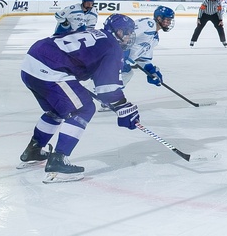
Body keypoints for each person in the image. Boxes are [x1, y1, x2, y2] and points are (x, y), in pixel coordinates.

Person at [18, 14, 140, 183]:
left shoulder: (96, 34)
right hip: (51, 69)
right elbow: (108, 88)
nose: (129, 36)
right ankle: (58, 161)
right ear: (117, 31)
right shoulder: (112, 46)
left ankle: (34, 150)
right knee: (84, 108)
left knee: (56, 111)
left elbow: (100, 81)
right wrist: (123, 106)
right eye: (126, 32)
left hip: (31, 62)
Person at [121, 6, 175, 87]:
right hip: (115, 56)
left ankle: (110, 96)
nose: (169, 23)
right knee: (125, 74)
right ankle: (109, 96)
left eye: (170, 20)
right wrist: (123, 51)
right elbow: (126, 33)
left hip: (122, 62)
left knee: (127, 74)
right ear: (159, 18)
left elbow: (143, 60)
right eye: (167, 20)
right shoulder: (149, 24)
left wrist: (151, 71)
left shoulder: (155, 39)